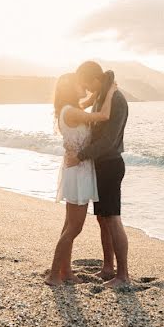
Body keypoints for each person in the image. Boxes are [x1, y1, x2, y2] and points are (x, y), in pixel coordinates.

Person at [45, 73, 117, 286]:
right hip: (79, 173)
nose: (83, 86)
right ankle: (53, 274)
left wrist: (97, 91)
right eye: (79, 83)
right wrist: (111, 92)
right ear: (70, 88)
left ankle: (65, 272)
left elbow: (87, 102)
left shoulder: (68, 109)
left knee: (69, 224)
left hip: (76, 171)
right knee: (75, 227)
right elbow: (103, 116)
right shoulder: (72, 113)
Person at [66, 61, 131, 288]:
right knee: (103, 219)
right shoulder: (103, 95)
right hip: (100, 166)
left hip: (111, 165)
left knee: (112, 218)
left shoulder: (116, 99)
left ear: (94, 78)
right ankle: (108, 268)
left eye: (85, 83)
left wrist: (80, 155)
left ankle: (123, 276)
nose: (85, 87)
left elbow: (109, 141)